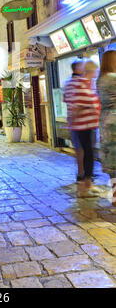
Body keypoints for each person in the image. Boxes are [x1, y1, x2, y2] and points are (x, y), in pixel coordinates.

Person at [70, 60, 101, 197]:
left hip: (87, 124)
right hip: (84, 125)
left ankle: (87, 184)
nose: (96, 73)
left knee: (89, 153)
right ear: (91, 71)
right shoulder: (82, 84)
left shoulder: (87, 84)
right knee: (88, 154)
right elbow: (78, 105)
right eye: (95, 70)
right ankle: (83, 187)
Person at [97, 50, 116, 207]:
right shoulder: (113, 78)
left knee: (112, 162)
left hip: (104, 122)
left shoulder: (100, 79)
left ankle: (115, 196)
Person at [63, 59, 85, 182]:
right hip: (83, 120)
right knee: (85, 148)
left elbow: (65, 99)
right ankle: (85, 175)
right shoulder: (81, 82)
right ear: (77, 68)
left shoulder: (67, 83)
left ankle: (81, 172)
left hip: (72, 119)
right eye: (83, 66)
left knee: (78, 148)